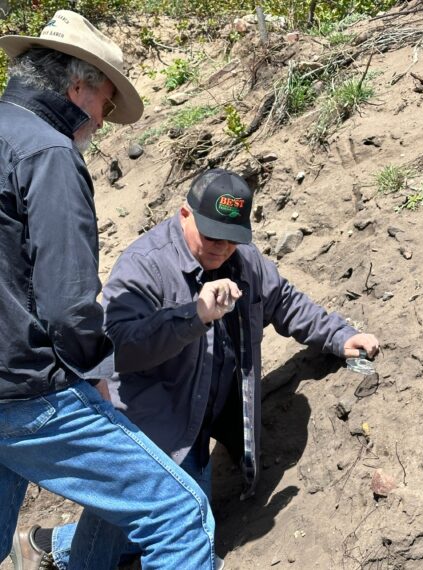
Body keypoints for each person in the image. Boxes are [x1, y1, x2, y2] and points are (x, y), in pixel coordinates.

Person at [30, 168, 379, 569]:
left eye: (232, 239)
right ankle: (75, 559)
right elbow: (118, 346)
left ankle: (49, 544)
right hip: (151, 427)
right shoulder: (145, 266)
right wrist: (193, 316)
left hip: (202, 422)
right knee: (175, 523)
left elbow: (284, 301)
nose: (221, 248)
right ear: (184, 214)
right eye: (212, 236)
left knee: (179, 522)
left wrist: (338, 335)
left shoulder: (243, 261)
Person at [0, 10, 216, 570]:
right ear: (78, 87)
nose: (101, 122)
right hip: (26, 391)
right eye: (105, 105)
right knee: (179, 513)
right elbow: (68, 301)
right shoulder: (48, 153)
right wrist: (95, 373)